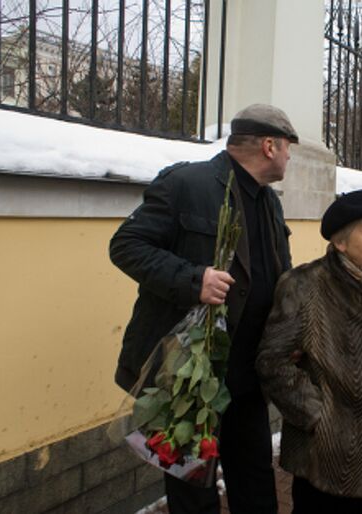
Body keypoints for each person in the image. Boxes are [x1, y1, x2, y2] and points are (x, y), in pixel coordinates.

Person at [109, 104, 298, 514]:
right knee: (193, 495)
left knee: (257, 487)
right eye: (288, 149)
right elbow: (126, 246)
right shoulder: (186, 184)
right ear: (269, 146)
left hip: (248, 381)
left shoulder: (269, 203)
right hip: (192, 382)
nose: (289, 158)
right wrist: (194, 280)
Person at [256, 188, 362, 514]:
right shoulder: (304, 286)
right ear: (340, 242)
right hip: (327, 462)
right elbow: (272, 362)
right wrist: (320, 419)